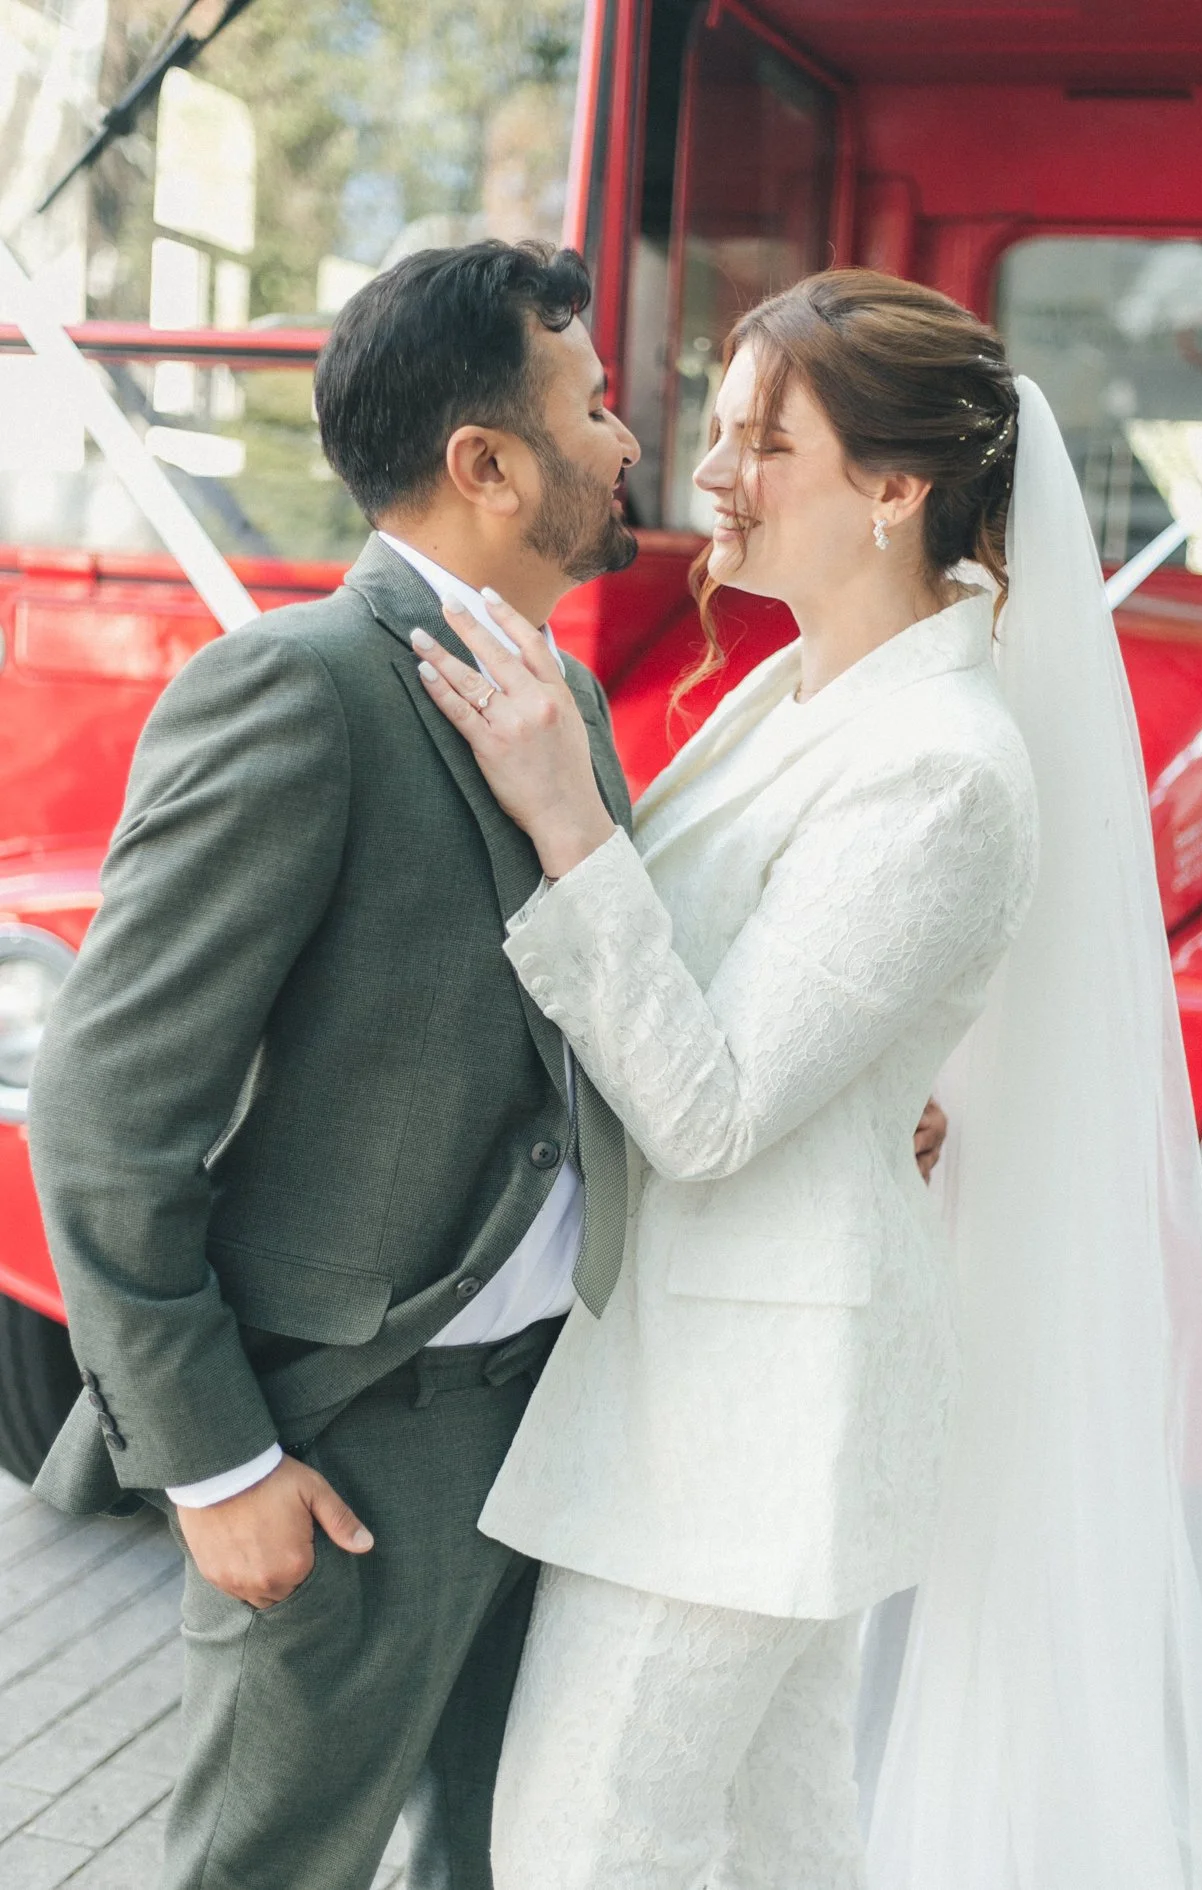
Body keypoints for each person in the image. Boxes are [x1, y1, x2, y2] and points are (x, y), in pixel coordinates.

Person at [24, 236, 953, 1890]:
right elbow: (104, 1115)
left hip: (559, 1428)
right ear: (487, 464)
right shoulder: (296, 693)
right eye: (595, 407)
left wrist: (861, 1100)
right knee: (270, 1865)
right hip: (349, 1451)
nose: (629, 444)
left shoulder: (570, 697)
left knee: (498, 1862)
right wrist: (218, 1465)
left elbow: (593, 1013)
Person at [415, 270, 1202, 1888]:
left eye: (761, 440)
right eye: (715, 427)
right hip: (711, 1373)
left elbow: (714, 1109)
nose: (708, 471)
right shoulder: (789, 689)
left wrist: (565, 818)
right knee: (779, 1841)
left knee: (586, 1837)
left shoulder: (944, 770)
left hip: (759, 1405)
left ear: (894, 488)